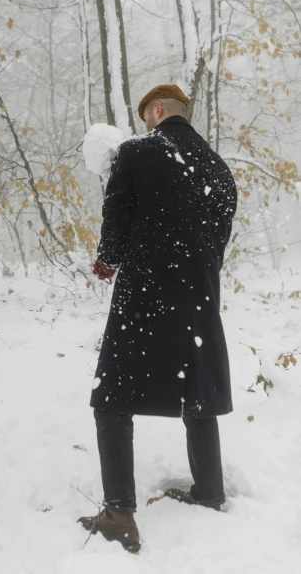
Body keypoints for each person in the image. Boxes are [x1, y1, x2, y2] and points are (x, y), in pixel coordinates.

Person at [79, 85, 237, 553]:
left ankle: (119, 513)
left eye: (146, 113)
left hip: (147, 290)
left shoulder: (138, 151)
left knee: (112, 396)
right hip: (200, 292)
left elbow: (119, 214)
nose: (146, 121)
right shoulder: (219, 169)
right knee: (198, 388)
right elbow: (220, 236)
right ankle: (209, 491)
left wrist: (108, 257)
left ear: (157, 110)